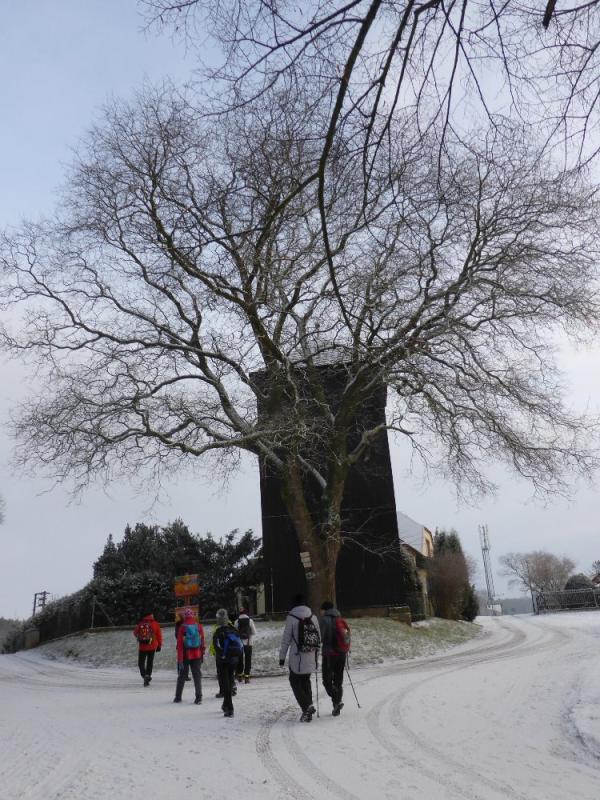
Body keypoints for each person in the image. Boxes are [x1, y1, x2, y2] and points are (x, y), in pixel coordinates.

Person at [279, 594, 321, 722]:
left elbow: (286, 639)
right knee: (306, 682)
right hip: (311, 655)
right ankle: (308, 710)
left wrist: (282, 657)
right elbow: (318, 639)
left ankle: (307, 706)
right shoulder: (313, 617)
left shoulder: (291, 618)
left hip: (297, 657)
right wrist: (316, 657)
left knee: (294, 681)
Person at [212, 608, 243, 717]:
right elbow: (240, 646)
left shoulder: (218, 632)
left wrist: (221, 656)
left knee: (225, 684)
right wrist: (240, 668)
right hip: (234, 660)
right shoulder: (234, 630)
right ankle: (225, 705)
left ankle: (229, 708)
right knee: (229, 682)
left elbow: (217, 648)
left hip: (223, 662)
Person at [319, 600, 347, 716]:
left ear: (324, 609)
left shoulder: (325, 620)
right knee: (338, 680)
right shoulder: (340, 619)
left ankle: (337, 700)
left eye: (321, 609)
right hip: (342, 653)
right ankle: (336, 705)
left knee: (326, 680)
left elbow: (320, 636)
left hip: (330, 654)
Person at [174, 608, 205, 704]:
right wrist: (202, 653)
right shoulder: (199, 626)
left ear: (184, 616)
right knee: (197, 676)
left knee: (182, 676)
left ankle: (178, 697)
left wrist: (179, 659)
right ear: (193, 616)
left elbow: (179, 645)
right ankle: (199, 697)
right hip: (197, 655)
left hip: (185, 655)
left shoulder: (182, 628)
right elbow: (202, 642)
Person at [133, 611, 163, 687]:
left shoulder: (141, 623)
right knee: (150, 663)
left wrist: (138, 628)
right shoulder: (155, 624)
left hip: (142, 647)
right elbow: (159, 635)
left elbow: (135, 633)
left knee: (141, 663)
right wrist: (159, 645)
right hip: (152, 646)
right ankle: (148, 675)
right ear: (151, 615)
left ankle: (144, 675)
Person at [234, 608, 257, 683]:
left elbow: (234, 632)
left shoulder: (237, 621)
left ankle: (240, 676)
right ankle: (247, 677)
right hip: (249, 642)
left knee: (240, 659)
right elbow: (254, 632)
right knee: (248, 659)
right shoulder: (250, 621)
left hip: (239, 643)